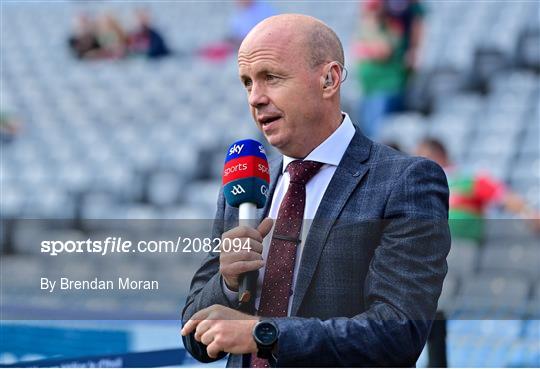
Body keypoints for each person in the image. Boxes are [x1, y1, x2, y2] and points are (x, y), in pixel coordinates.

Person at [181, 14, 450, 367]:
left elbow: (398, 332)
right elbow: (194, 335)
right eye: (247, 83)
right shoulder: (244, 187)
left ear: (329, 79)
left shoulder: (405, 182)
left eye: (271, 78)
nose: (255, 98)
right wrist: (228, 282)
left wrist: (263, 334)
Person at [352, 0, 425, 139]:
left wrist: (368, 49)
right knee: (364, 131)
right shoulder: (370, 28)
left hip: (387, 85)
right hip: (368, 87)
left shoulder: (393, 27)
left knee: (376, 134)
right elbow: (357, 49)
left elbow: (384, 50)